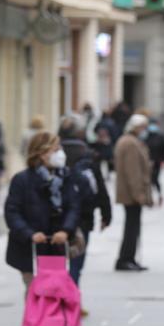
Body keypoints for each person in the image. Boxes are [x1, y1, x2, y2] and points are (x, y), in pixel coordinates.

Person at [4, 132, 80, 285]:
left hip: (56, 246)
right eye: (55, 149)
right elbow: (12, 212)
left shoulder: (66, 177)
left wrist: (65, 230)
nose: (60, 153)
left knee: (55, 291)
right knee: (35, 290)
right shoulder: (22, 180)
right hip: (30, 247)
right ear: (42, 154)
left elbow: (74, 206)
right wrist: (29, 234)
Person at [58, 116, 112, 295]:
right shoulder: (88, 155)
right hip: (84, 217)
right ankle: (72, 300)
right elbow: (100, 188)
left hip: (55, 217)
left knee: (55, 263)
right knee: (76, 262)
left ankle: (58, 300)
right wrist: (106, 214)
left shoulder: (54, 154)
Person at [113, 114, 153, 271]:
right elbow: (133, 172)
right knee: (132, 227)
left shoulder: (130, 141)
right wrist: (139, 195)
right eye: (143, 126)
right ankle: (126, 258)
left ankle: (129, 258)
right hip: (131, 195)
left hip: (130, 194)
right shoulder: (130, 143)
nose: (145, 130)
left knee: (132, 226)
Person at [145, 120, 164, 205]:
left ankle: (159, 195)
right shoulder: (146, 136)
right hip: (147, 162)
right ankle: (149, 198)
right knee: (148, 180)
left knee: (155, 179)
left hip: (157, 162)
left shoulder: (161, 137)